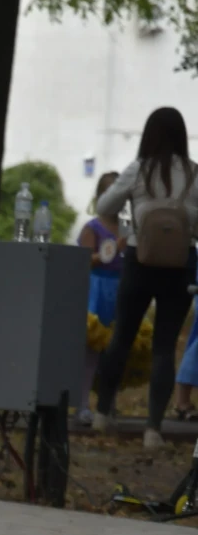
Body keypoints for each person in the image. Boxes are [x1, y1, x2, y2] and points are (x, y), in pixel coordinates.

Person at [94, 107, 198, 448]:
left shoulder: (138, 170)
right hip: (181, 265)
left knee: (121, 336)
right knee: (165, 347)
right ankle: (153, 428)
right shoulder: (196, 174)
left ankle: (102, 412)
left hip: (140, 260)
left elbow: (104, 206)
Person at [77, 172, 125, 423]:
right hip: (96, 289)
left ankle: (108, 403)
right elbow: (83, 260)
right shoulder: (92, 228)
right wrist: (107, 251)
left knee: (114, 350)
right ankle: (83, 403)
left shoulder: (126, 229)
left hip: (119, 289)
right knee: (90, 350)